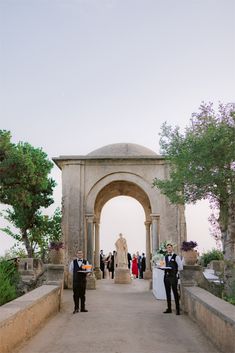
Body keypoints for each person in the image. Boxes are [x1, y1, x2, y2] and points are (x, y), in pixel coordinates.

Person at [163, 243, 183, 315]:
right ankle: (169, 309)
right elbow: (164, 265)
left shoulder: (176, 257)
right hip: (166, 277)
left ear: (172, 248)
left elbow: (181, 267)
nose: (169, 249)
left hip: (173, 277)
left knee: (175, 293)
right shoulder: (165, 257)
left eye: (170, 247)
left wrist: (175, 272)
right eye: (167, 248)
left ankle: (177, 310)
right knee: (167, 293)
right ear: (166, 249)